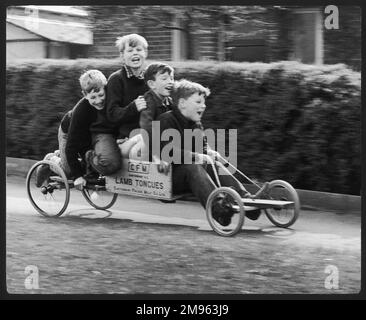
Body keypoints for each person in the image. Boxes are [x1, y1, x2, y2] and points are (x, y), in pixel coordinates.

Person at [149, 79, 261, 226]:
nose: (204, 105)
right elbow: (167, 153)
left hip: (192, 177)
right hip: (168, 177)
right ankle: (218, 208)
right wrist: (198, 156)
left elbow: (202, 147)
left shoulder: (195, 124)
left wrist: (210, 152)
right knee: (193, 166)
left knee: (211, 162)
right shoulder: (166, 120)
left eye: (204, 102)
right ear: (182, 103)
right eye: (198, 102)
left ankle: (245, 199)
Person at [35, 69, 108, 190]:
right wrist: (78, 176)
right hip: (68, 134)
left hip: (88, 134)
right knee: (68, 171)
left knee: (90, 159)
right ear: (85, 95)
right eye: (93, 97)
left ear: (106, 88)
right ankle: (50, 160)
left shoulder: (110, 101)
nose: (98, 100)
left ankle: (61, 154)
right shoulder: (81, 111)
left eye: (101, 95)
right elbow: (71, 146)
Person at [88, 33, 149, 175]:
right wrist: (133, 107)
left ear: (145, 53)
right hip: (126, 139)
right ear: (122, 55)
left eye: (139, 50)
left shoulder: (150, 79)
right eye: (130, 50)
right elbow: (112, 114)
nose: (135, 53)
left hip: (146, 136)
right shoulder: (117, 79)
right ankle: (91, 159)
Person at [122, 62, 174, 160]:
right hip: (142, 138)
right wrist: (155, 154)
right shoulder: (149, 100)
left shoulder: (169, 101)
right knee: (139, 150)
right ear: (152, 84)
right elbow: (146, 126)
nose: (170, 81)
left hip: (158, 139)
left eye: (171, 78)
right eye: (164, 78)